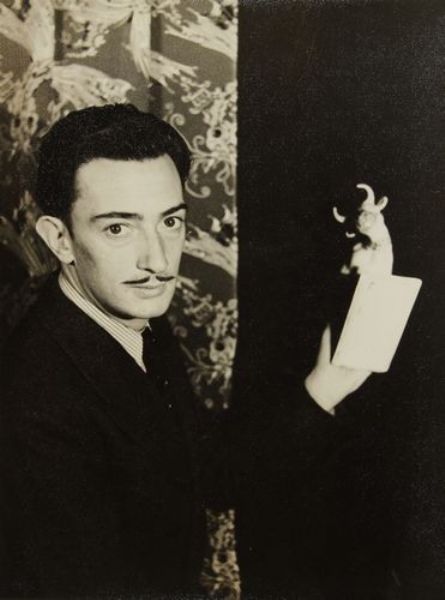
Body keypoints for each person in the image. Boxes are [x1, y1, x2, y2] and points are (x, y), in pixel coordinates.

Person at [0, 104, 206, 597]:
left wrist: (331, 380)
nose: (157, 261)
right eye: (118, 228)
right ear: (60, 239)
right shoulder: (36, 406)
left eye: (170, 222)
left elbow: (201, 460)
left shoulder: (134, 315)